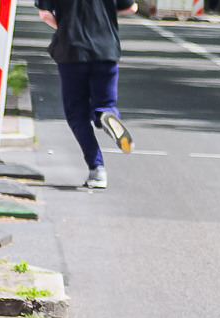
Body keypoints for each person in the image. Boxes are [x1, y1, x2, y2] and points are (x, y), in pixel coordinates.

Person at [40, 0, 140, 189]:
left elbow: (45, 14)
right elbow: (132, 6)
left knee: (77, 114)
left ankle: (97, 169)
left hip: (71, 49)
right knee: (104, 103)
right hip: (106, 49)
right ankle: (105, 114)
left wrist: (66, 25)